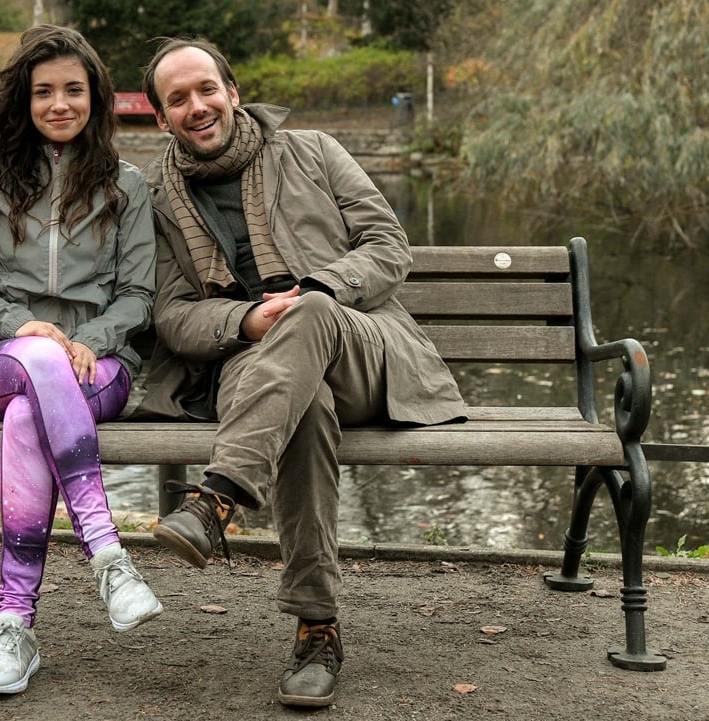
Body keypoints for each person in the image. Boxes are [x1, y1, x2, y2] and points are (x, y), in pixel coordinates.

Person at [134, 37, 468, 708]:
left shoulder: (313, 151)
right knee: (303, 402)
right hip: (252, 363)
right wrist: (245, 320)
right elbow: (171, 316)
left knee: (309, 314)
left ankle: (217, 497)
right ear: (162, 118)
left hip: (360, 344)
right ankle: (318, 630)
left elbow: (388, 247)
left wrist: (321, 289)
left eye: (206, 89)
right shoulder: (156, 197)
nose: (197, 106)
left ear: (232, 92)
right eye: (178, 99)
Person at [0, 24, 162, 696]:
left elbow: (139, 294)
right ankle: (107, 553)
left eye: (73, 89)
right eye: (43, 92)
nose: (59, 103)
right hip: (4, 360)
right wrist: (20, 325)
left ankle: (14, 625)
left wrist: (94, 335)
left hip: (99, 367)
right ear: (24, 100)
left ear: (95, 96)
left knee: (22, 421)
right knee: (37, 358)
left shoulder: (126, 185)